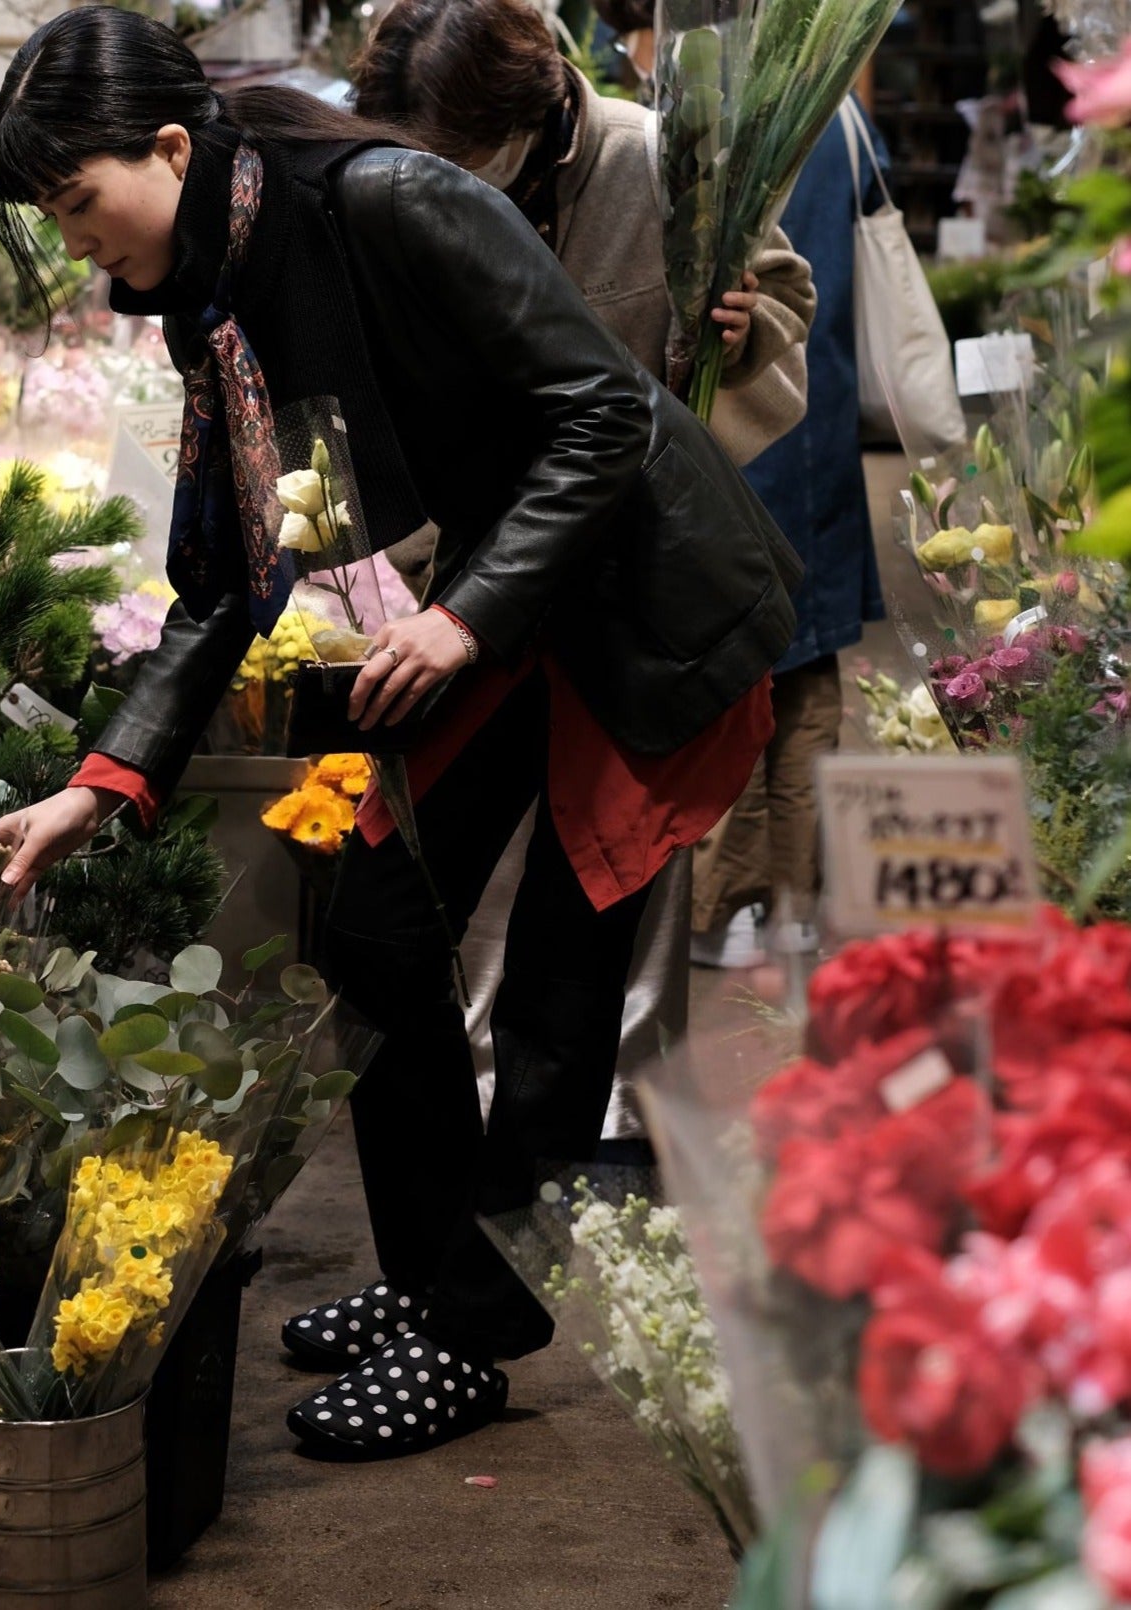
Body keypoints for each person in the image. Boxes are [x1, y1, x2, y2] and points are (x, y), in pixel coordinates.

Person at [0, 6, 801, 1459]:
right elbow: (224, 578)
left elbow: (604, 419)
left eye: (75, 201)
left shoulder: (391, 200)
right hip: (509, 607)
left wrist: (461, 619)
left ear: (168, 148)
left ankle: (473, 1328)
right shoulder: (218, 299)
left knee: (554, 1001)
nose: (74, 239)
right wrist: (100, 783)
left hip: (636, 617)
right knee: (372, 928)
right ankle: (430, 1269)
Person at [351, 0, 814, 1161]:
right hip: (482, 589)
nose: (435, 183)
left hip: (634, 594)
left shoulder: (661, 164)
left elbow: (783, 312)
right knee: (392, 913)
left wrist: (739, 327)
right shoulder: (395, 184)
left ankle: (514, 1237)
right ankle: (438, 1246)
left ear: (528, 117)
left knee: (578, 933)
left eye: (455, 161)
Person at [690, 103, 890, 966]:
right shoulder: (841, 110)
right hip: (825, 415)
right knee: (810, 681)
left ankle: (724, 907)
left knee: (735, 677)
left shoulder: (716, 109)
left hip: (744, 424)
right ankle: (799, 903)